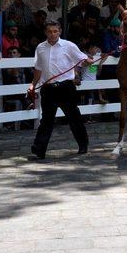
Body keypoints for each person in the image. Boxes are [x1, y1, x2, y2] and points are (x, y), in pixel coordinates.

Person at [28, 21, 93, 159]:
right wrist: (33, 84)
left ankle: (83, 144)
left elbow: (82, 59)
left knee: (74, 117)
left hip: (65, 87)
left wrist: (88, 61)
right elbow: (38, 69)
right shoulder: (40, 48)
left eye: (55, 31)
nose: (52, 34)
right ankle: (39, 149)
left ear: (60, 31)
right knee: (46, 120)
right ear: (45, 32)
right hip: (48, 88)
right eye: (50, 31)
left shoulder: (68, 46)